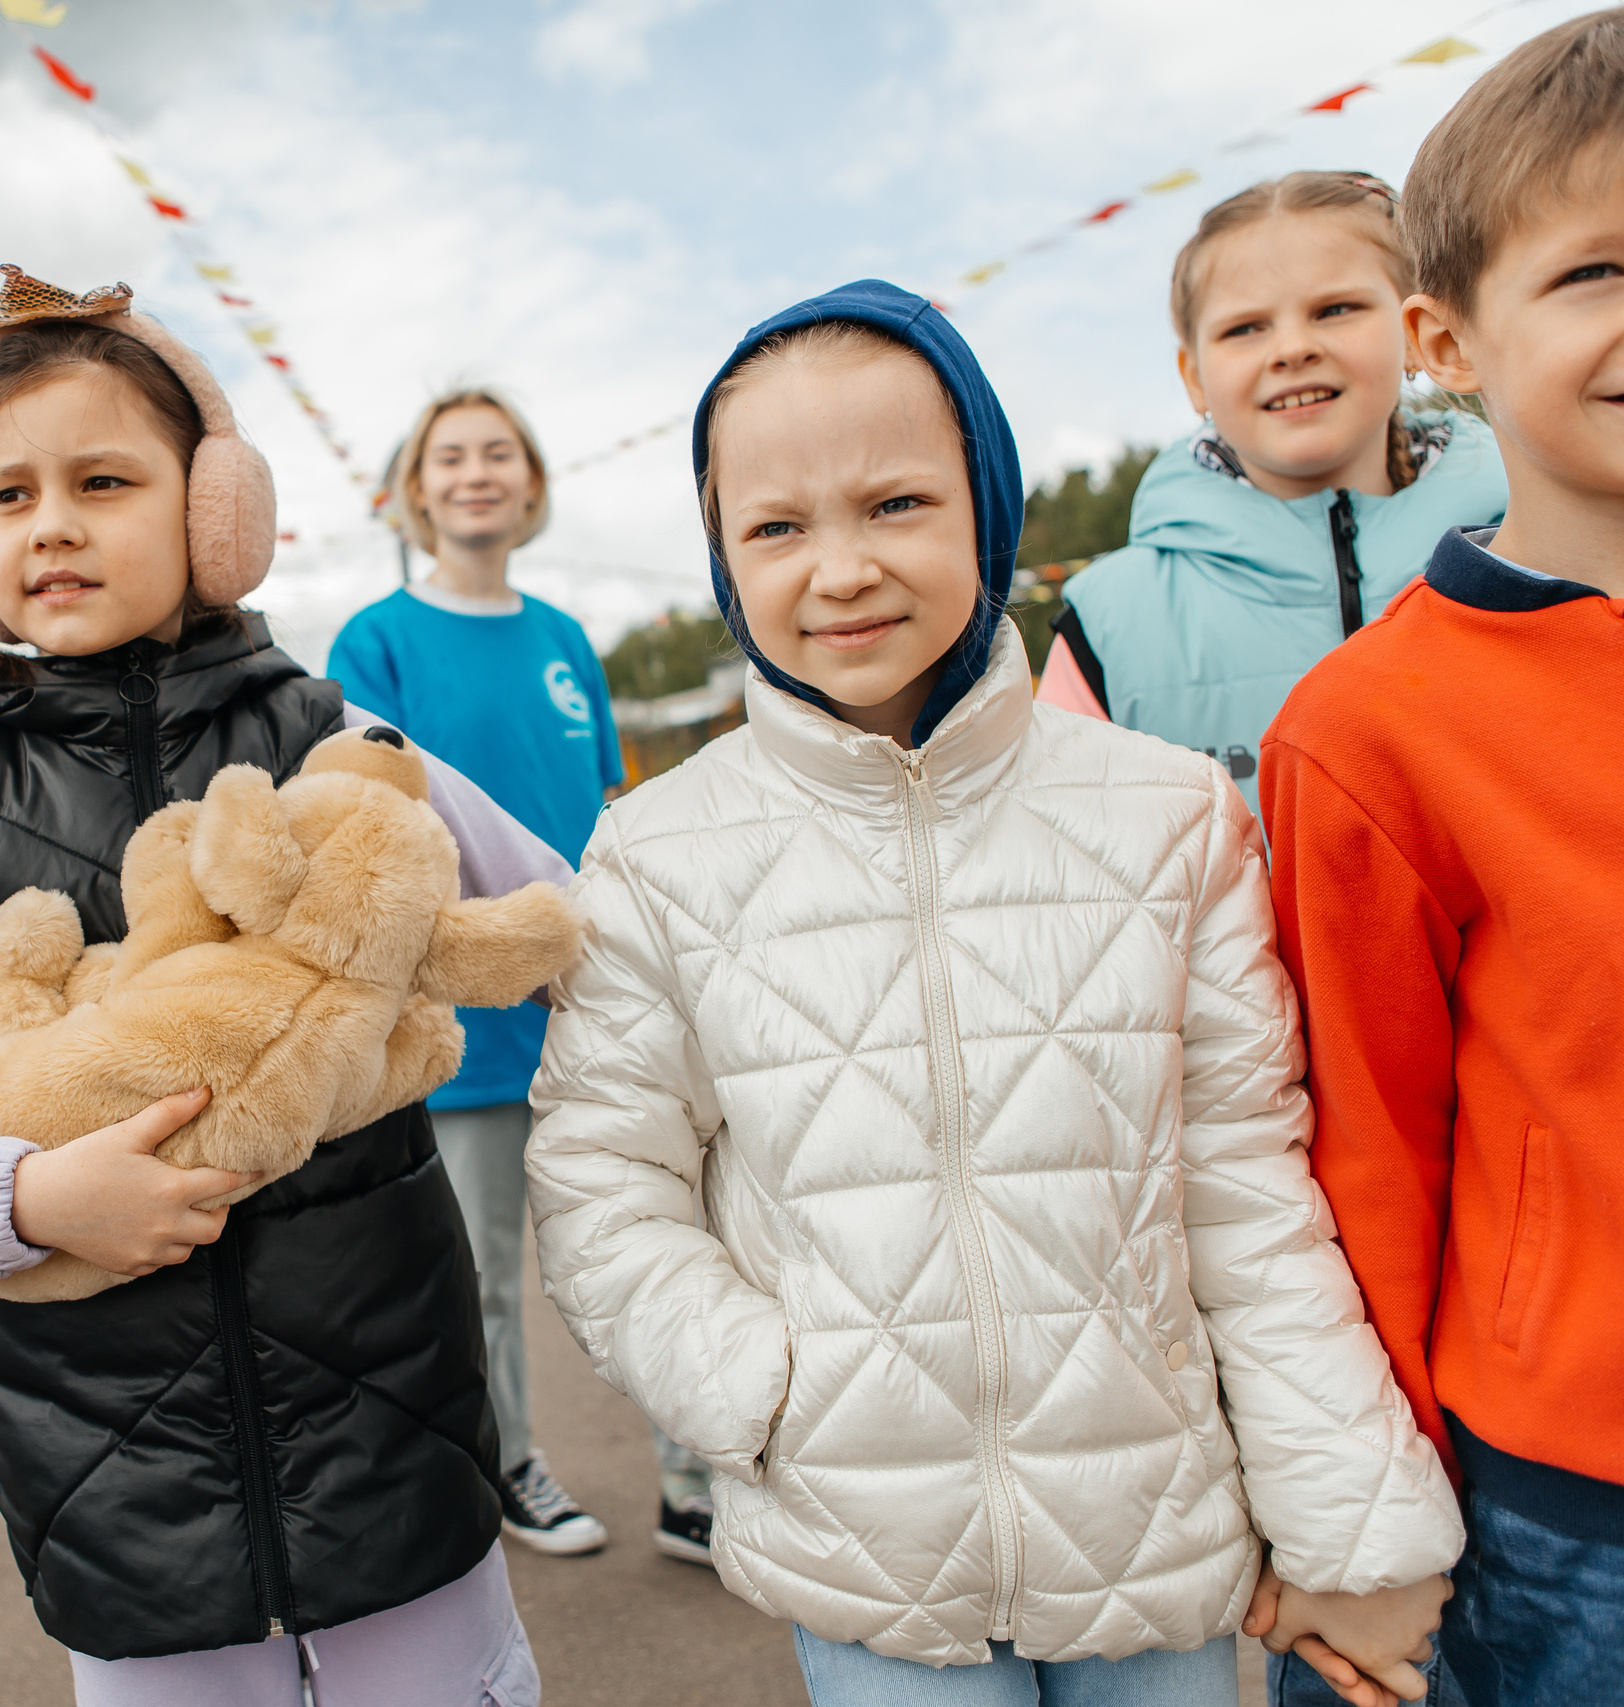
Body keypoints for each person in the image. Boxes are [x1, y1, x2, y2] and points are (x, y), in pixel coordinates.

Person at [524, 280, 1466, 1706]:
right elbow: (603, 1175)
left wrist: (1351, 1517)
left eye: (896, 502)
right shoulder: (657, 853)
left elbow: (1248, 1186)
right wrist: (757, 1386)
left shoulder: (1169, 814)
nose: (838, 568)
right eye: (776, 526)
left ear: (990, 508)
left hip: (1157, 1535)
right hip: (866, 1550)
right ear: (722, 556)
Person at [0, 270, 562, 1704]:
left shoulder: (342, 740)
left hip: (399, 1439)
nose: (52, 521)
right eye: (8, 496)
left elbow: (568, 929)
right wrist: (18, 1202)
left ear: (216, 511)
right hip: (115, 1497)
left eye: (101, 479)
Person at [1261, 15, 1624, 1705]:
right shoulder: (1373, 727)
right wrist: (1374, 1521)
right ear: (1449, 339)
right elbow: (1370, 1159)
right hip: (1570, 1497)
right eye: (1599, 267)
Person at [327, 389, 645, 1562]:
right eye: (448, 456)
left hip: (590, 1007)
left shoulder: (564, 640)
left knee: (647, 1239)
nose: (474, 473)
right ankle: (512, 1463)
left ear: (531, 482)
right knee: (485, 1276)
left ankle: (696, 1478)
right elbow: (377, 827)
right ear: (415, 490)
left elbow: (599, 815)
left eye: (497, 453)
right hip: (464, 1025)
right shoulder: (376, 643)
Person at [1039, 171, 1508, 810]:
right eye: (1245, 329)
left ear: (1413, 333)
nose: (1291, 348)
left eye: (1334, 310)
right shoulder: (1110, 624)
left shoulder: (1532, 550)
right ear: (1194, 376)